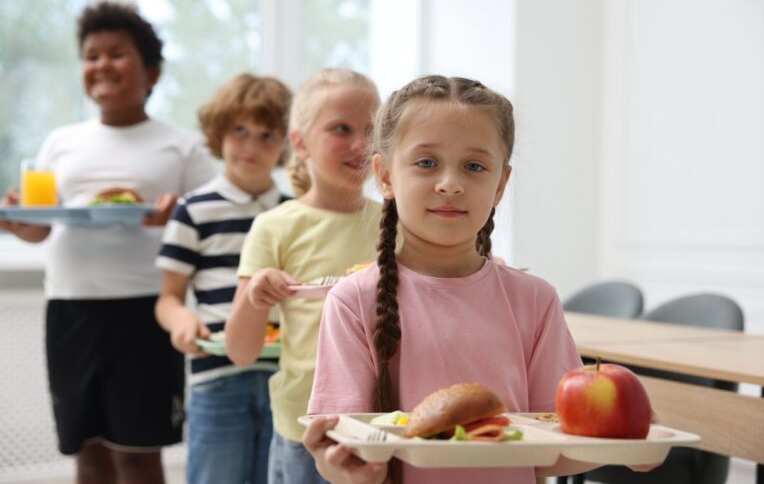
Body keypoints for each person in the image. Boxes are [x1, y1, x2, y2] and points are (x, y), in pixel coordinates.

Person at [302, 75, 594, 484]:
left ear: (500, 185)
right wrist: (344, 470)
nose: (450, 184)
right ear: (385, 176)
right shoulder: (353, 300)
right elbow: (345, 448)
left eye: (474, 166)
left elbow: (552, 451)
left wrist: (622, 439)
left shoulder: (535, 300)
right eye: (426, 163)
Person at [0, 1, 215, 484]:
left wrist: (173, 214)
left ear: (151, 73)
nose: (101, 65)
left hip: (145, 312)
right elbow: (42, 227)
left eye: (116, 54)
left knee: (139, 452)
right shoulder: (60, 141)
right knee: (87, 450)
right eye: (91, 55)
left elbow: (210, 224)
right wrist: (18, 222)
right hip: (70, 310)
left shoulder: (181, 145)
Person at [225, 68, 381, 484]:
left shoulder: (398, 225)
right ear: (300, 143)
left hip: (382, 424)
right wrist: (256, 299)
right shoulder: (274, 227)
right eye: (341, 128)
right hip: (305, 427)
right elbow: (240, 351)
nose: (360, 144)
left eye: (371, 129)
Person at [154, 72, 293, 484]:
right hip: (216, 375)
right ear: (219, 133)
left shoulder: (295, 212)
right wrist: (182, 322)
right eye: (240, 131)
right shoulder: (193, 210)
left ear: (288, 143)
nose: (252, 146)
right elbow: (168, 298)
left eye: (268, 135)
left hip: (285, 377)